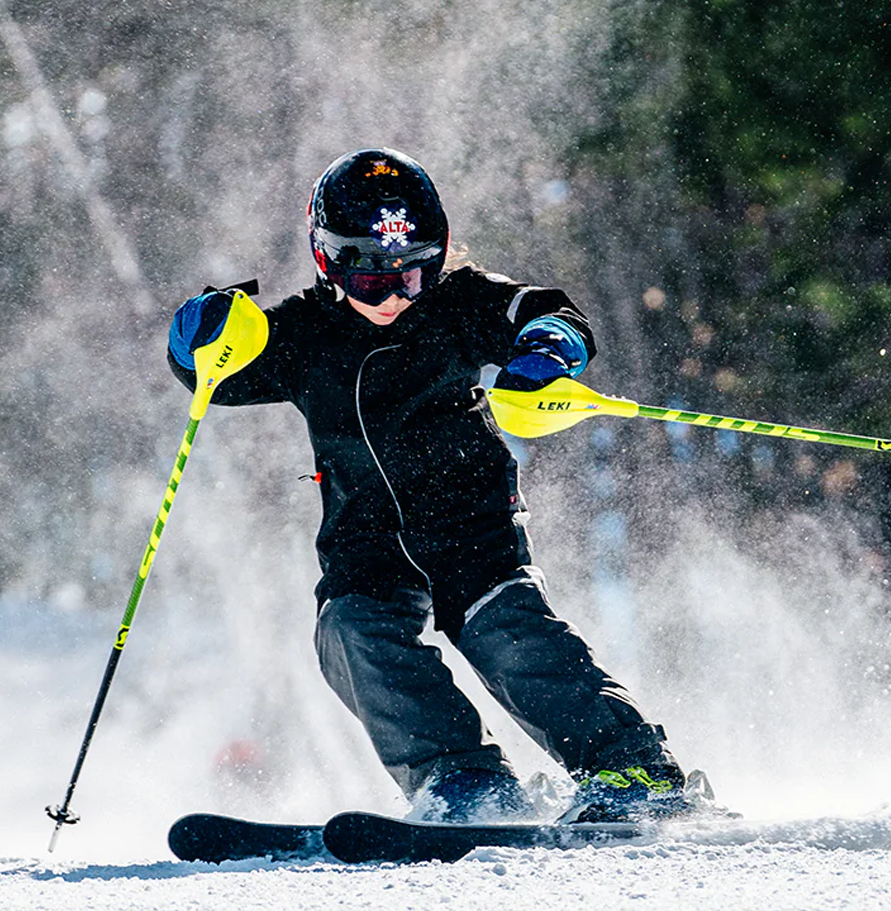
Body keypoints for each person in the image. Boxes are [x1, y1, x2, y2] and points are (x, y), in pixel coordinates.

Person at [167, 147, 706, 824]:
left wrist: (545, 350)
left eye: (414, 274)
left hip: (469, 526)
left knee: (510, 636)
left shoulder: (459, 305)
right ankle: (464, 781)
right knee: (351, 633)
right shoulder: (303, 335)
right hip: (366, 543)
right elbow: (218, 377)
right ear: (330, 263)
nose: (394, 294)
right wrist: (201, 338)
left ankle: (631, 769)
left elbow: (543, 312)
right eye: (371, 281)